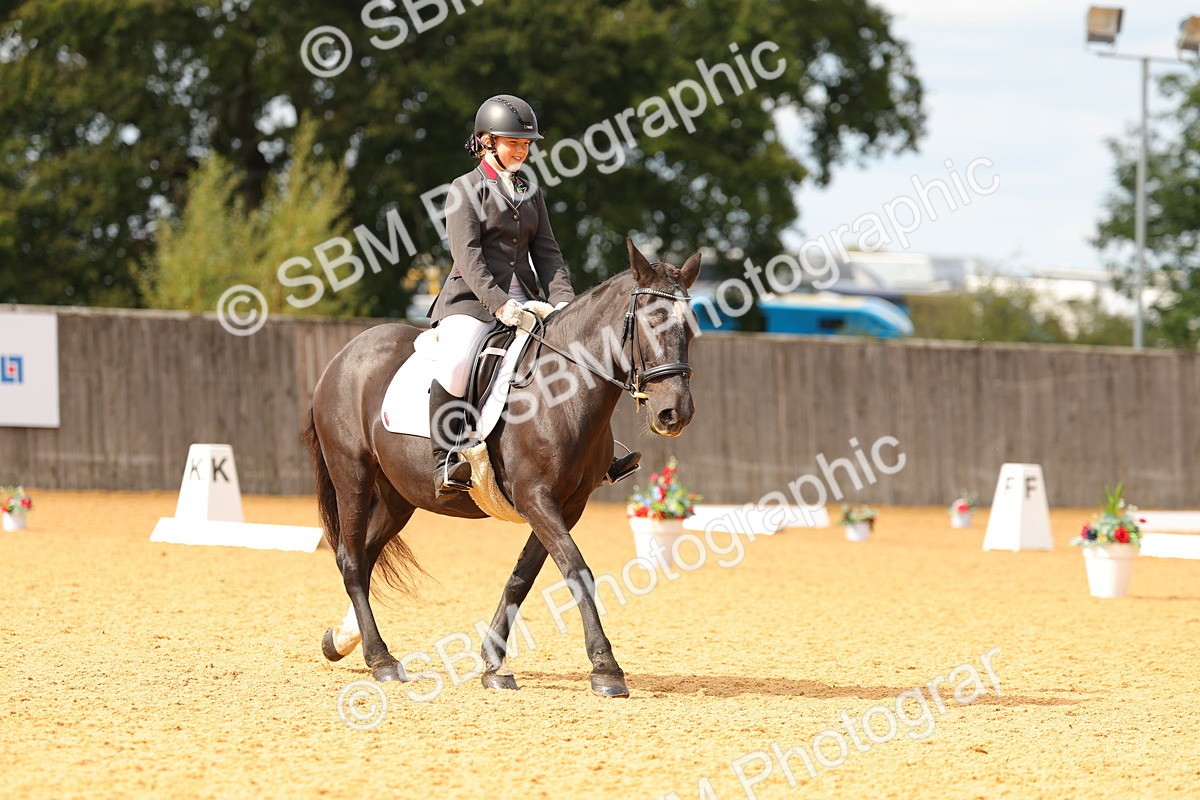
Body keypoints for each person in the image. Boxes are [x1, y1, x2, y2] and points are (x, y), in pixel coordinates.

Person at [426, 94, 640, 496]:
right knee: (456, 362)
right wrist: (499, 304)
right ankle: (445, 458)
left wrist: (564, 303)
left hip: (527, 300)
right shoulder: (465, 189)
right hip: (472, 301)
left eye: (526, 144)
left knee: (575, 355)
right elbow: (468, 257)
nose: (522, 151)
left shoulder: (530, 191)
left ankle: (597, 455)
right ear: (487, 141)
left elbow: (547, 253)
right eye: (514, 143)